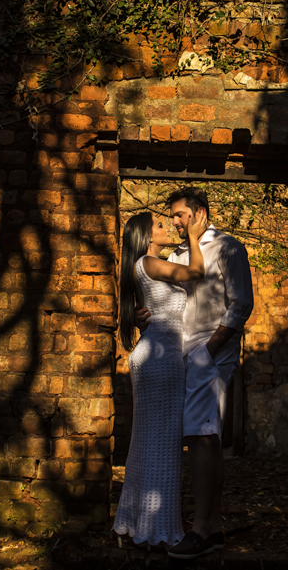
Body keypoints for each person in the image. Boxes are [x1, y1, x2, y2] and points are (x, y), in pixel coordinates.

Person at [163, 187, 254, 560]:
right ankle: (212, 527)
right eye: (171, 216)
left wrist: (209, 349)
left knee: (200, 436)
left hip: (210, 350)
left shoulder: (228, 247)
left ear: (199, 213)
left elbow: (241, 305)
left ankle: (199, 531)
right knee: (207, 439)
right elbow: (170, 303)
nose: (174, 222)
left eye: (179, 215)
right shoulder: (176, 255)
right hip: (181, 351)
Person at [112, 207, 208, 548]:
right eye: (158, 223)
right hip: (160, 360)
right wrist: (195, 237)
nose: (166, 225)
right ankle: (160, 528)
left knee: (148, 443)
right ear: (147, 236)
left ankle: (139, 521)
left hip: (156, 355)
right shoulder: (149, 262)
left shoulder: (145, 266)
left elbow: (153, 309)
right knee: (164, 444)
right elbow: (196, 271)